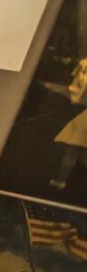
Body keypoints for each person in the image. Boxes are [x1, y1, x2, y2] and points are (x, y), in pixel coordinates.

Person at [50, 57, 87, 191]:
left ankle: (60, 181)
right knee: (80, 149)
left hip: (80, 109)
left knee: (72, 148)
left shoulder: (84, 63)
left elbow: (73, 87)